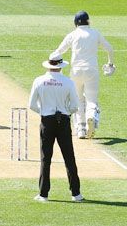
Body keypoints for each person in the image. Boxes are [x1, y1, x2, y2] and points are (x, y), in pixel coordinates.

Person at [28, 53, 83, 203]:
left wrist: (45, 112)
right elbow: (75, 106)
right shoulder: (68, 82)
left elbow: (32, 105)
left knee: (45, 159)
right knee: (69, 157)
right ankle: (76, 194)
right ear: (60, 66)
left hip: (47, 121)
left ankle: (43, 194)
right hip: (63, 121)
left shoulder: (39, 81)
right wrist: (65, 113)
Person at [52, 11, 114, 139]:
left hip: (76, 71)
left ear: (75, 23)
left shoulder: (73, 35)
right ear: (88, 21)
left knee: (78, 99)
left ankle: (81, 128)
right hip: (91, 70)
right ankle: (90, 116)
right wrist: (110, 64)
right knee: (91, 100)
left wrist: (53, 66)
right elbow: (109, 48)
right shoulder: (95, 33)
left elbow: (59, 52)